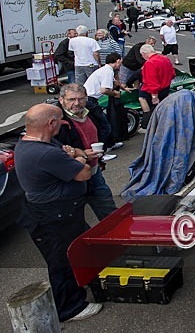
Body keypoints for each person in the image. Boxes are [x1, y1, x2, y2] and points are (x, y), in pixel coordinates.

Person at [14, 103, 103, 322]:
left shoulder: (38, 143)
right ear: (51, 123)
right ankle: (69, 308)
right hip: (54, 217)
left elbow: (72, 151)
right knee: (61, 261)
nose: (63, 124)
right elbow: (84, 173)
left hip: (61, 214)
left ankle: (84, 282)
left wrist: (74, 155)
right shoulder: (44, 153)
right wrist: (79, 159)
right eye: (61, 120)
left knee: (81, 248)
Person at [54, 83, 118, 221]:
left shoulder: (91, 111)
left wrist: (99, 159)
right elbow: (53, 152)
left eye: (81, 98)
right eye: (71, 99)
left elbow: (104, 131)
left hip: (94, 173)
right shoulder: (56, 121)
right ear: (61, 100)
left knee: (110, 214)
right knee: (74, 221)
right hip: (73, 180)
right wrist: (81, 154)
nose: (77, 103)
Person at [138, 44, 176, 127]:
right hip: (165, 88)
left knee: (142, 98)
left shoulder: (149, 63)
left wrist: (154, 96)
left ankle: (147, 121)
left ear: (144, 54)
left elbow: (151, 82)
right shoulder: (165, 59)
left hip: (153, 91)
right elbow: (172, 74)